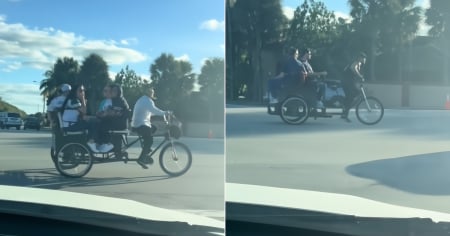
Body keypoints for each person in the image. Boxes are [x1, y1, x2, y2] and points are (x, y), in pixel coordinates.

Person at [61, 84, 113, 153]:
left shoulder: (74, 100)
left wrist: (93, 117)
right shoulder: (74, 100)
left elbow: (83, 116)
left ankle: (96, 143)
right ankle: (92, 142)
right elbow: (84, 111)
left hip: (71, 124)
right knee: (94, 123)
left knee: (94, 121)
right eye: (80, 90)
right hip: (70, 126)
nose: (82, 92)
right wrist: (83, 99)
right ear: (75, 92)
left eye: (83, 91)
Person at [131, 85, 167, 169]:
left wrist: (162, 113)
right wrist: (166, 112)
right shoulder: (147, 101)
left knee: (153, 128)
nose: (151, 93)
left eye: (152, 91)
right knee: (150, 140)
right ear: (149, 93)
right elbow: (154, 110)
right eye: (151, 91)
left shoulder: (143, 99)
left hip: (138, 123)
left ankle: (145, 147)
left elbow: (151, 112)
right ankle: (142, 158)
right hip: (141, 124)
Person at [341, 52, 367, 122]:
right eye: (364, 58)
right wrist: (360, 76)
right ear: (360, 58)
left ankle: (345, 111)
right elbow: (353, 68)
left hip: (346, 82)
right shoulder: (356, 62)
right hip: (347, 82)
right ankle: (345, 109)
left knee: (350, 97)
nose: (365, 60)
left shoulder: (358, 63)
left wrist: (359, 78)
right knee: (356, 93)